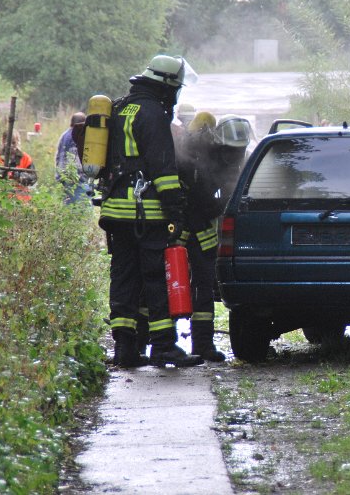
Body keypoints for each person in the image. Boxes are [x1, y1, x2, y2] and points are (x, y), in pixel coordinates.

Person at [98, 54, 201, 368]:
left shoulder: (118, 108)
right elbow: (163, 170)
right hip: (146, 213)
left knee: (124, 279)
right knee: (156, 278)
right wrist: (175, 210)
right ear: (165, 85)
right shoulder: (153, 113)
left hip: (116, 210)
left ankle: (126, 349)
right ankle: (163, 347)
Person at [175, 112, 251, 361]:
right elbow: (199, 198)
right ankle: (159, 343)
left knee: (204, 287)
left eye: (240, 151)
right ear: (219, 144)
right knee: (169, 284)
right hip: (181, 229)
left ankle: (203, 344)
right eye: (231, 150)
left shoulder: (234, 160)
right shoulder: (201, 157)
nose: (236, 156)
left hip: (203, 233)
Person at [0, 130, 38, 201]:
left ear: (18, 142)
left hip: (22, 203)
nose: (11, 146)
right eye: (9, 143)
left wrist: (19, 176)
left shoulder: (25, 158)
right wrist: (1, 173)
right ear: (3, 141)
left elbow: (33, 178)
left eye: (14, 143)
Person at [55, 111, 87, 204]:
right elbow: (76, 160)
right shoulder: (77, 136)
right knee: (83, 208)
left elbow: (58, 156)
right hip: (75, 179)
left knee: (67, 206)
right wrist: (85, 174)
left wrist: (59, 175)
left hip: (63, 177)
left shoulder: (64, 135)